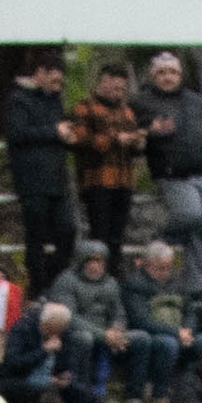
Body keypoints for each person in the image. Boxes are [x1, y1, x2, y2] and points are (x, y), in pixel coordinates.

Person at [133, 53, 202, 301]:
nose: (168, 77)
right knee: (190, 214)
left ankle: (197, 289)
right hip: (172, 173)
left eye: (172, 72)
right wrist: (150, 131)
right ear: (153, 76)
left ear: (180, 75)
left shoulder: (195, 100)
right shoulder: (141, 102)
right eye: (162, 72)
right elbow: (132, 135)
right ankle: (158, 239)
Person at [4, 52, 77, 295]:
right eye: (54, 80)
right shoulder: (18, 99)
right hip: (31, 178)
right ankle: (37, 286)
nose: (58, 87)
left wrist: (68, 136)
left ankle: (54, 279)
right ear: (40, 73)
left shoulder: (54, 100)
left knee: (68, 230)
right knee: (36, 235)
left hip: (56, 178)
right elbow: (17, 134)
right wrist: (53, 132)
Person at [48, 240, 153, 403]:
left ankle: (134, 394)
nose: (95, 266)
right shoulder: (66, 281)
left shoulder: (110, 283)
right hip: (78, 334)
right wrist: (103, 335)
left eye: (99, 261)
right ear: (81, 261)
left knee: (142, 338)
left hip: (108, 333)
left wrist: (117, 330)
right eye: (91, 261)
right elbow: (69, 317)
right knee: (84, 338)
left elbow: (119, 313)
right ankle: (82, 392)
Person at [69, 63, 144, 274]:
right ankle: (96, 275)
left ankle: (114, 276)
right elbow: (79, 139)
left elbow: (134, 144)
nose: (119, 93)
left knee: (118, 235)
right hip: (97, 181)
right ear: (103, 82)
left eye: (122, 89)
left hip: (124, 181)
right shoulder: (84, 108)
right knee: (99, 233)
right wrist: (114, 140)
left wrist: (137, 142)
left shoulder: (127, 111)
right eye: (115, 88)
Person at [122, 241, 198, 403]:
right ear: (148, 265)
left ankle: (195, 393)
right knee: (168, 344)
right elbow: (141, 320)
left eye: (169, 267)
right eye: (161, 268)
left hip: (181, 332)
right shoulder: (134, 284)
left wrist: (188, 330)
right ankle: (160, 393)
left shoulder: (178, 282)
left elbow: (190, 311)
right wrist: (177, 333)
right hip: (154, 333)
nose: (166, 272)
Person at [2, 301, 89, 403]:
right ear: (45, 324)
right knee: (31, 395)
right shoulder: (23, 328)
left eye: (60, 331)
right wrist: (43, 350)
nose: (56, 335)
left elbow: (69, 361)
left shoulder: (62, 333)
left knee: (78, 391)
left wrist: (65, 375)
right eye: (52, 330)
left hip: (51, 380)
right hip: (23, 379)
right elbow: (13, 363)